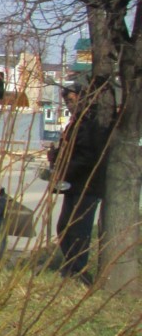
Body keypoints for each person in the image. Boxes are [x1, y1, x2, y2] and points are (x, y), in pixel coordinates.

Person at [49, 77, 111, 283]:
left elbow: (87, 157)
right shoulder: (75, 123)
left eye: (72, 100)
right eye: (66, 101)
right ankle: (71, 268)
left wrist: (65, 170)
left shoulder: (92, 123)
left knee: (79, 229)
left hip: (87, 185)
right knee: (64, 227)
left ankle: (79, 273)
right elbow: (71, 150)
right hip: (74, 185)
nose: (69, 104)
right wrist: (56, 157)